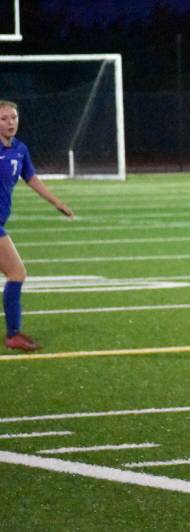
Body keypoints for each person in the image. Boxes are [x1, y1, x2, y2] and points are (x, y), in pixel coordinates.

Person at [0, 100, 75, 352]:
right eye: (4, 119)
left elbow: (30, 178)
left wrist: (57, 202)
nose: (10, 123)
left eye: (13, 118)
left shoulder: (20, 149)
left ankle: (13, 334)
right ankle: (13, 335)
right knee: (17, 273)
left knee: (16, 274)